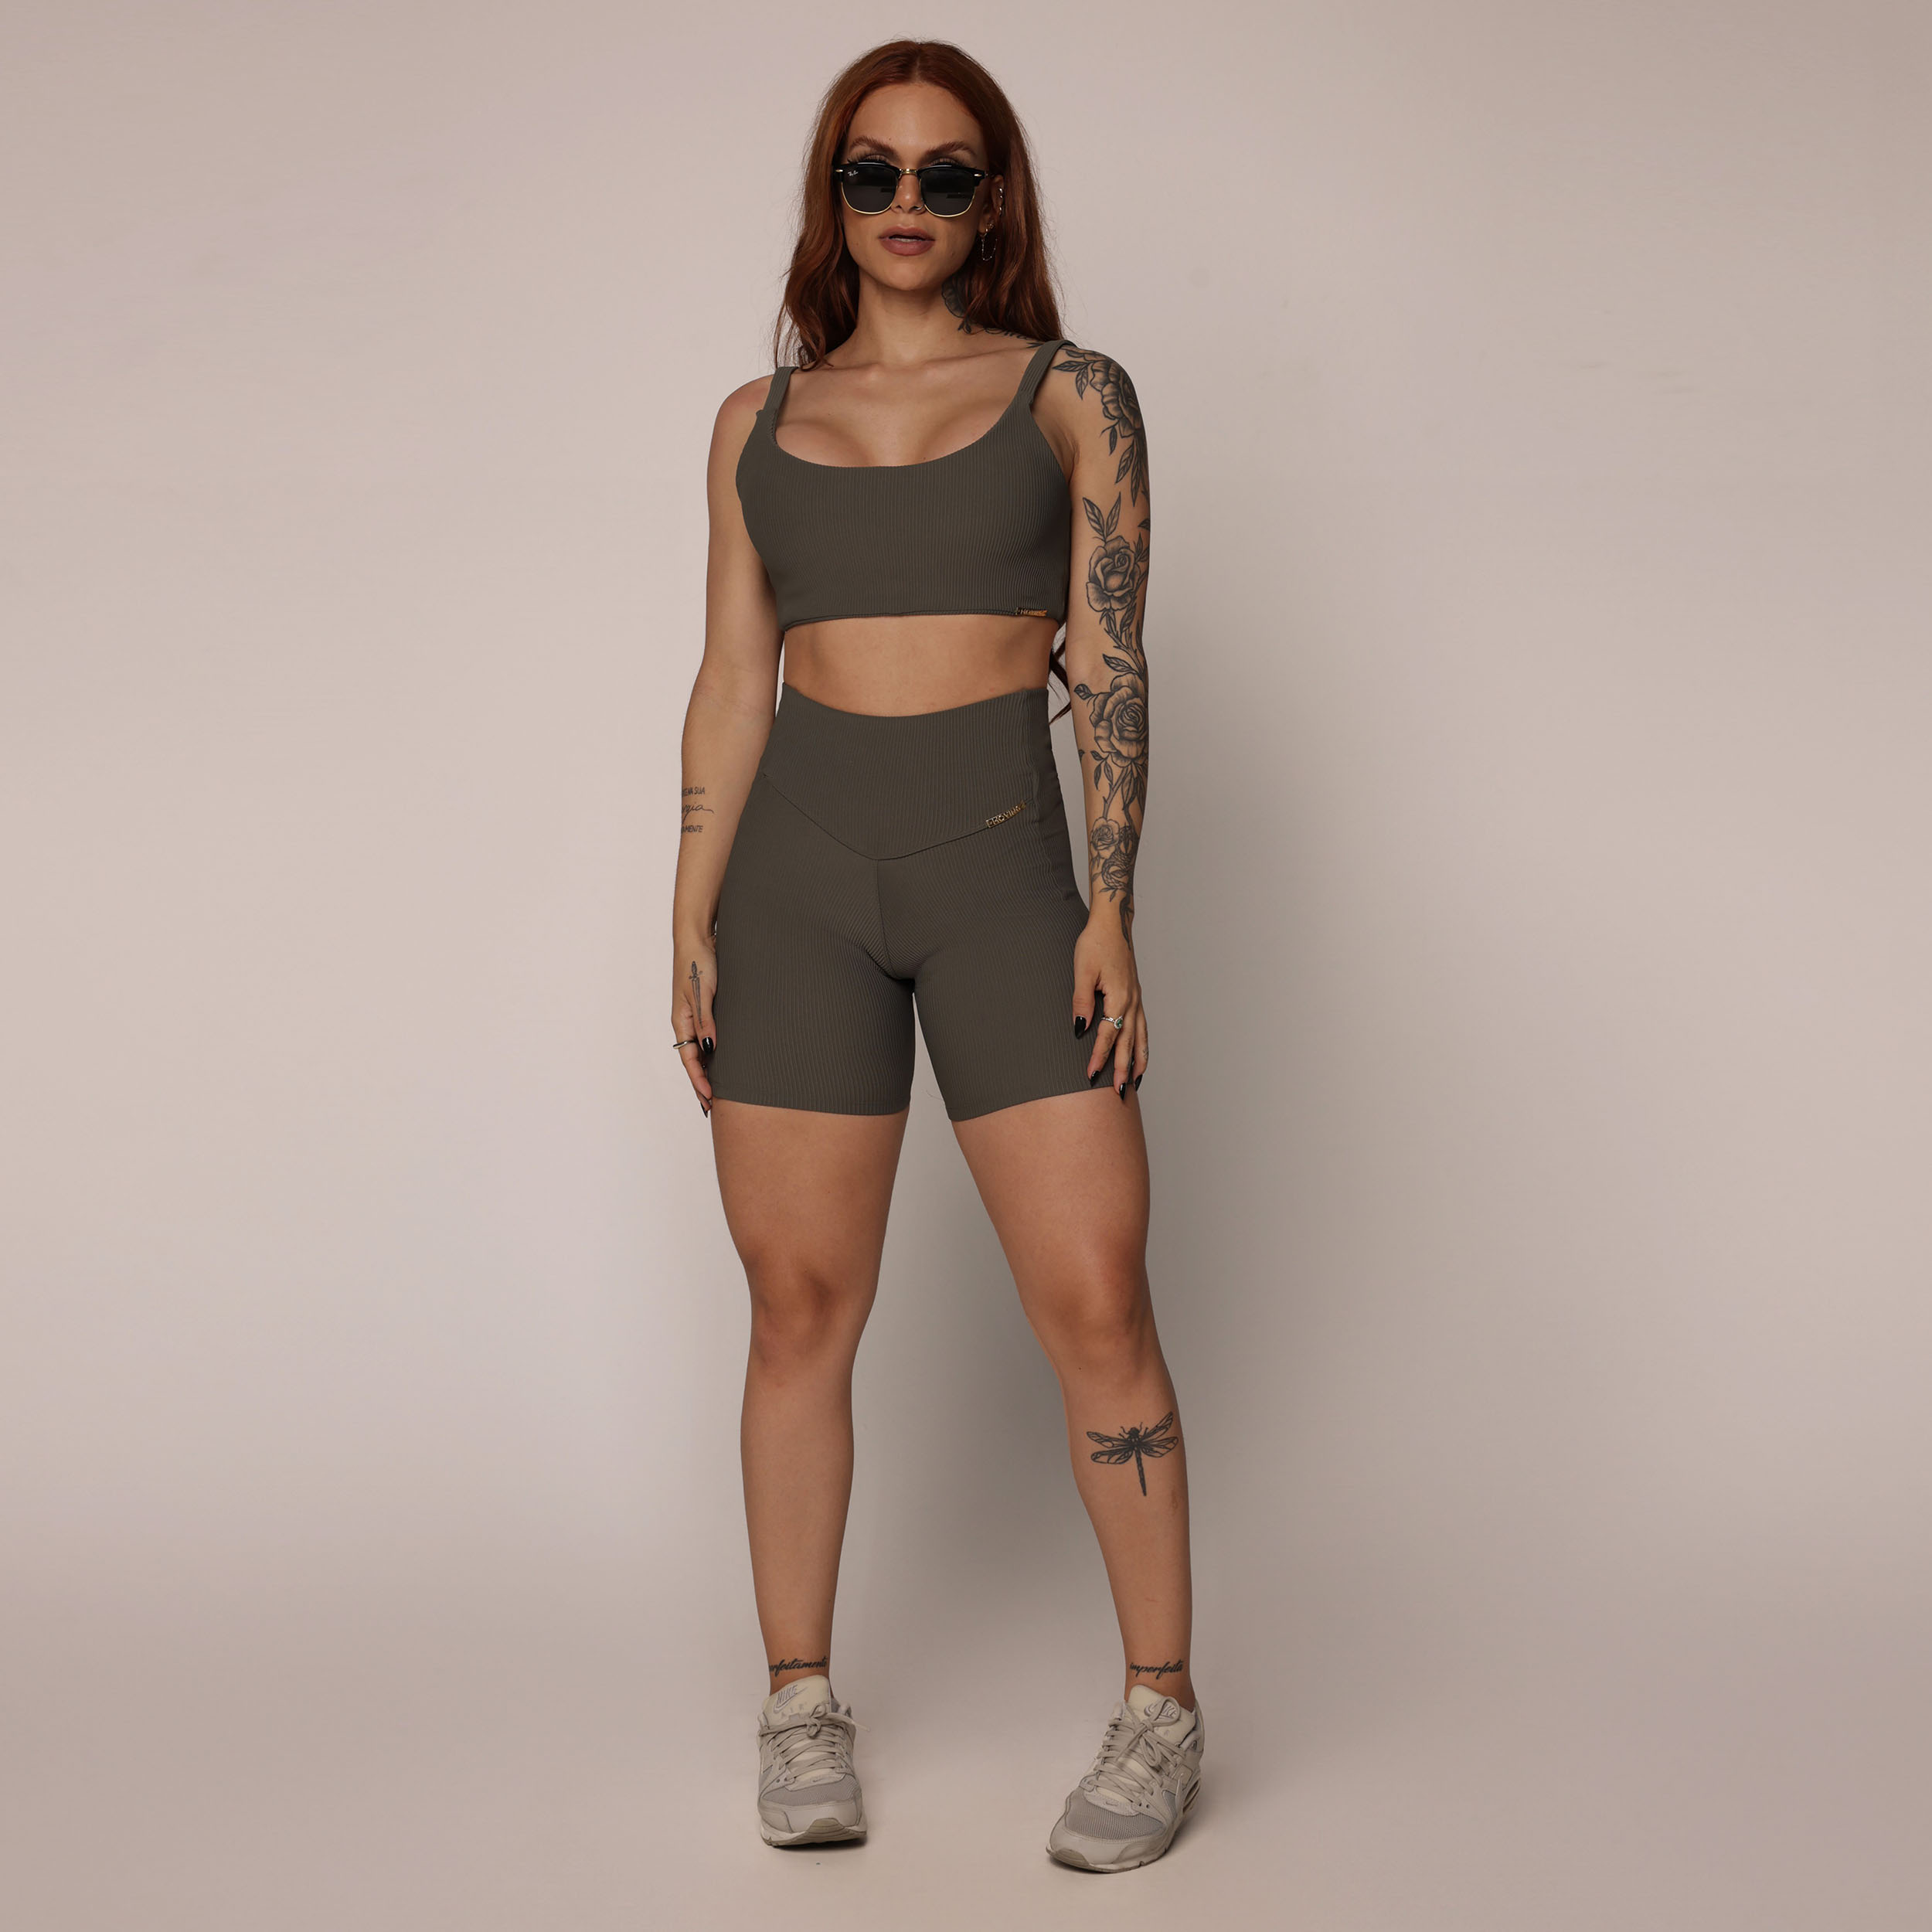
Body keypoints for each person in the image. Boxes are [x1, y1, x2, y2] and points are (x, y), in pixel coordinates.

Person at [669, 38, 1200, 1872]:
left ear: (993, 201)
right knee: (797, 1306)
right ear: (832, 197)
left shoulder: (1073, 395)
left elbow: (1110, 664)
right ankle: (797, 1698)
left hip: (1002, 882)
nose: (906, 204)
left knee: (1097, 1296)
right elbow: (733, 679)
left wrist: (1111, 900)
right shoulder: (752, 422)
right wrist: (688, 907)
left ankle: (1159, 1704)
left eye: (945, 174)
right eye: (871, 172)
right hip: (795, 887)